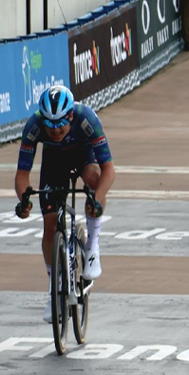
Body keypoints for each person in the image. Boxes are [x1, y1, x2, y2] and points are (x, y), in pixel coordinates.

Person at [14, 85, 114, 323]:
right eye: (50, 124)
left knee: (92, 181)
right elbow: (21, 175)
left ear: (70, 116)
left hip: (83, 154)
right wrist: (24, 200)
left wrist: (97, 199)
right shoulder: (34, 125)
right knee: (50, 226)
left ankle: (92, 247)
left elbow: (109, 170)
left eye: (60, 124)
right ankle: (53, 288)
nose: (55, 129)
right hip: (54, 162)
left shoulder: (86, 118)